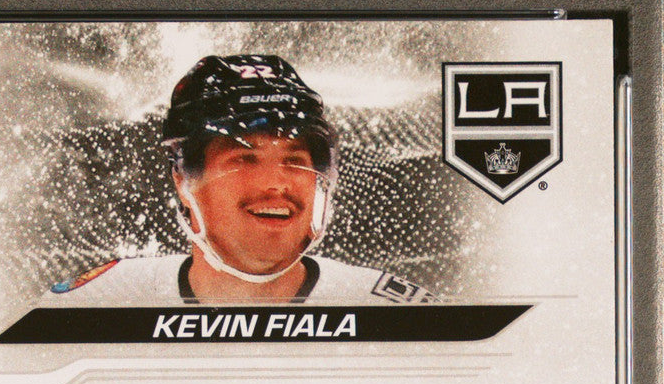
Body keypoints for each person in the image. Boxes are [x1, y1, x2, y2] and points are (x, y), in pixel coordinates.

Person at [37, 53, 430, 308]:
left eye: (294, 161)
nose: (276, 184)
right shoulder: (94, 305)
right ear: (182, 179)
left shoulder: (397, 311)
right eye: (244, 159)